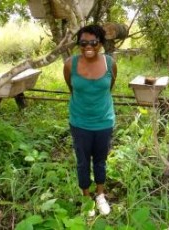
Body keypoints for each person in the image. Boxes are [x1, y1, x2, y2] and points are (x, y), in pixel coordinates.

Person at [63, 24, 117, 216]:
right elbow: (72, 88)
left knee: (100, 161)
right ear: (78, 44)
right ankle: (86, 198)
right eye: (83, 42)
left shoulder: (110, 63)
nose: (88, 46)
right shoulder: (70, 64)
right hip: (80, 123)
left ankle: (100, 194)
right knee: (83, 161)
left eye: (93, 42)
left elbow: (108, 88)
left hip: (104, 122)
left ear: (100, 43)